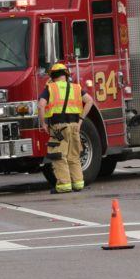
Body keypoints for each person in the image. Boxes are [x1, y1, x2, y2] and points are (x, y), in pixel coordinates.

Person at [38, 63, 94, 193]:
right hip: (75, 126)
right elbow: (89, 101)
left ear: (52, 76)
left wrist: (43, 124)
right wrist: (80, 120)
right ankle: (78, 183)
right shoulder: (76, 88)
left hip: (58, 128)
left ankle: (64, 185)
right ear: (66, 75)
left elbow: (41, 105)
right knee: (74, 155)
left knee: (58, 155)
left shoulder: (50, 88)